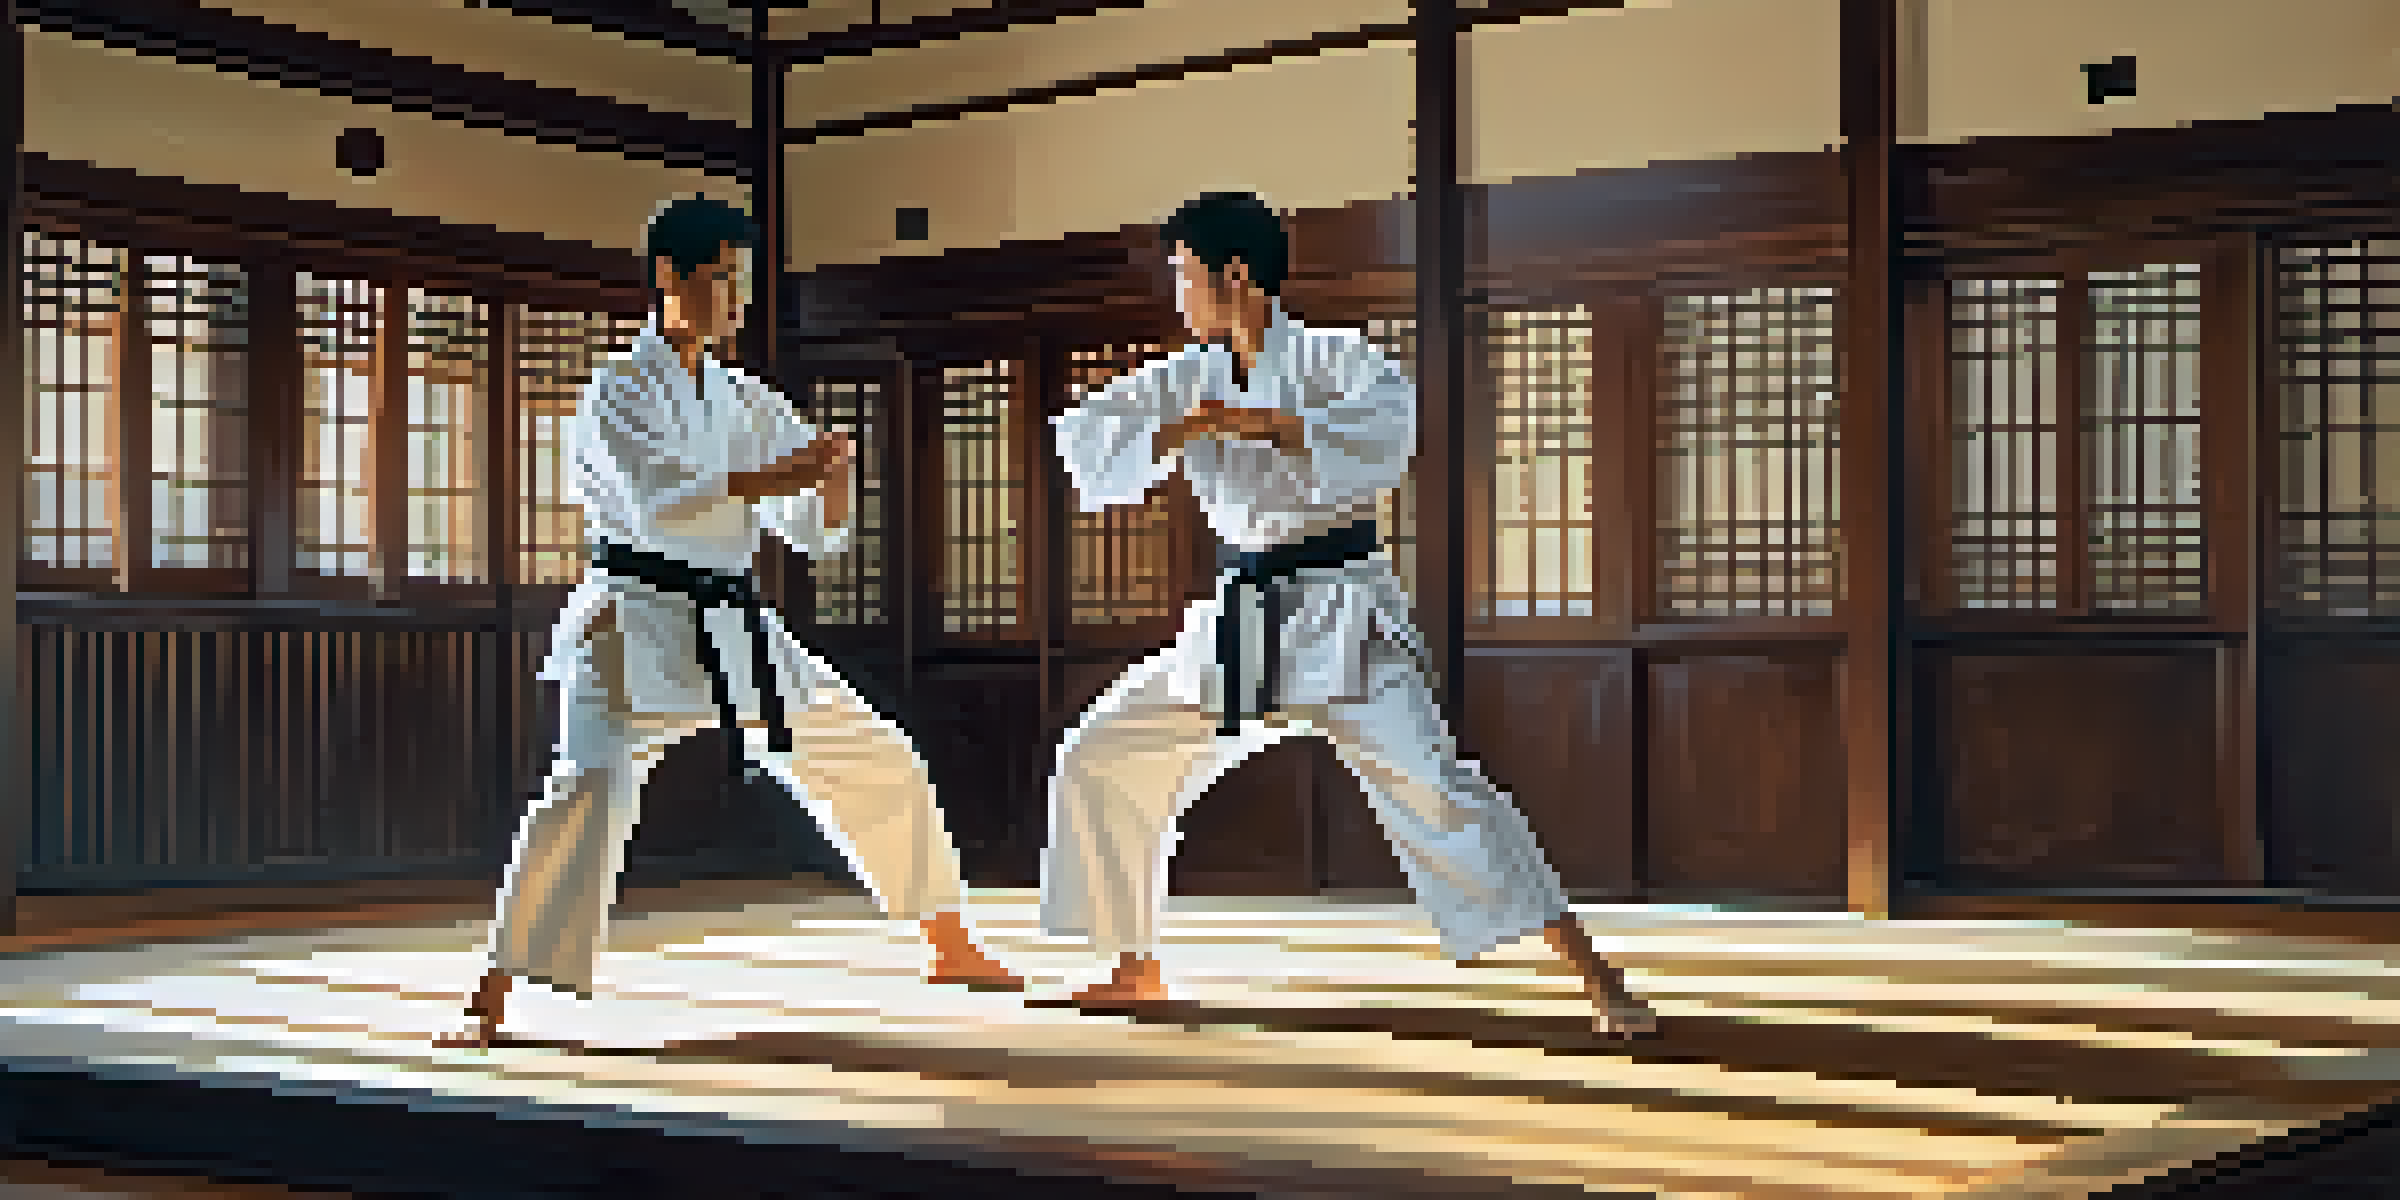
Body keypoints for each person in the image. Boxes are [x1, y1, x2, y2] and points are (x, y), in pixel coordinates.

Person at [1040, 192, 1658, 1038]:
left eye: (1185, 275)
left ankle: (1596, 973)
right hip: (1241, 618)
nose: (1177, 294)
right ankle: (1133, 963)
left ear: (1237, 273)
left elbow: (1386, 431)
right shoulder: (1186, 377)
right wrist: (1183, 425)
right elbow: (1089, 437)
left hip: (1343, 615)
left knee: (1439, 793)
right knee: (1106, 749)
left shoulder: (1337, 359)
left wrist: (1263, 423)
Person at [440, 196, 1019, 1048]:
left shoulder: (744, 398)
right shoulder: (615, 389)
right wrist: (777, 475)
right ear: (669, 277)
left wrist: (827, 479)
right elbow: (655, 501)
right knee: (588, 788)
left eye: (742, 283)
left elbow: (813, 534)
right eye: (719, 279)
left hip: (728, 619)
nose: (735, 301)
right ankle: (494, 991)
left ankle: (946, 938)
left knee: (869, 751)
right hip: (631, 617)